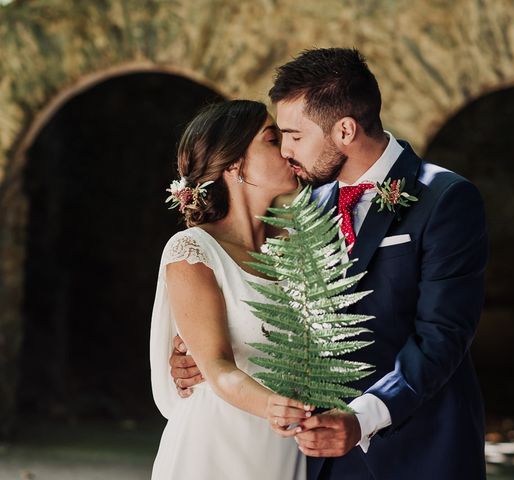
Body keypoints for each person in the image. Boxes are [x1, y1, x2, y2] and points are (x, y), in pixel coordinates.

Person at [170, 47, 489, 479]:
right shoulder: (304, 210)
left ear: (345, 130)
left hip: (418, 450)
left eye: (295, 136)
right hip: (317, 460)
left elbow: (443, 336)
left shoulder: (445, 198)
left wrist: (362, 419)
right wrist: (200, 357)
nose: (285, 150)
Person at [149, 99, 309, 480]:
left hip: (287, 448)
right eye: (273, 140)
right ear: (234, 163)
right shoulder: (193, 251)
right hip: (215, 446)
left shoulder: (300, 247)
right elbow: (216, 365)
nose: (288, 150)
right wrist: (275, 405)